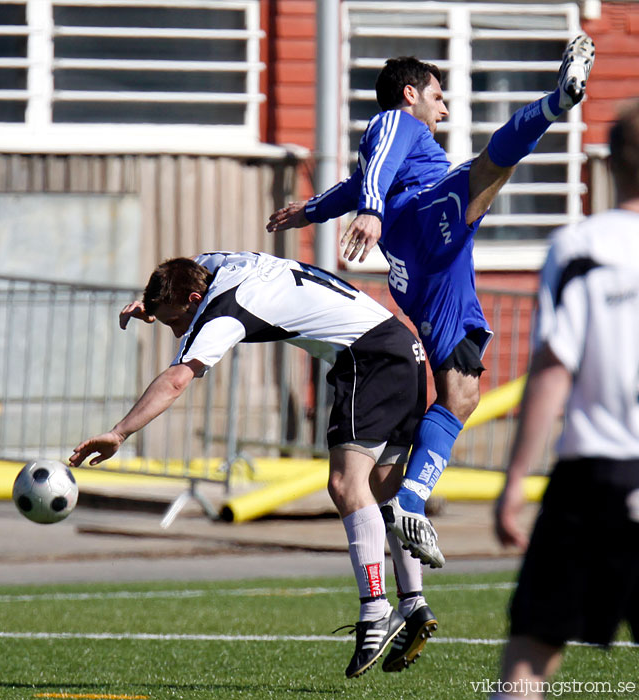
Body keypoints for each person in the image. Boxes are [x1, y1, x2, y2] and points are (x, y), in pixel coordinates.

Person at [266, 35, 595, 567]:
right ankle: (558, 100)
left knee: (461, 394)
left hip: (427, 275)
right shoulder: (397, 122)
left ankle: (412, 502)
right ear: (410, 93)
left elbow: (360, 181)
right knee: (491, 167)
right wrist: (371, 210)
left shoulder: (389, 147)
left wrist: (311, 211)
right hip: (425, 220)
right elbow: (372, 181)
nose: (443, 108)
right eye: (438, 97)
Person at [69, 251, 437, 678]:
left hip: (367, 359)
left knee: (346, 485)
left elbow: (176, 380)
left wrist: (119, 433)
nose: (175, 332)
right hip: (404, 350)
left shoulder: (223, 313)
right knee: (384, 492)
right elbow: (187, 266)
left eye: (174, 321)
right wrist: (150, 306)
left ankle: (375, 610)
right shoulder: (216, 265)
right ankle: (413, 602)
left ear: (194, 297)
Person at [490, 101, 639, 700]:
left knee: (529, 653)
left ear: (606, 164)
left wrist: (516, 478)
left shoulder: (581, 246)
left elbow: (555, 366)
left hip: (593, 476)